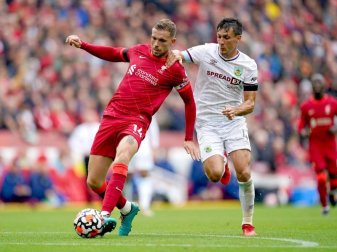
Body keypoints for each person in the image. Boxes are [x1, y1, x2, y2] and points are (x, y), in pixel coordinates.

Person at [65, 19, 200, 237]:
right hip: (111, 116)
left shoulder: (175, 70)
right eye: (154, 38)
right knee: (94, 181)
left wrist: (188, 137)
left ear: (172, 42)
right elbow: (113, 53)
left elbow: (190, 102)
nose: (156, 44)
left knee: (123, 157)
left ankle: (104, 215)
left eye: (162, 41)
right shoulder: (139, 51)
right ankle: (127, 209)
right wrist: (84, 45)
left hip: (136, 121)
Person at [167, 18, 258, 236]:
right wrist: (177, 56)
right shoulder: (207, 52)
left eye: (226, 37)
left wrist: (236, 110)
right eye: (219, 36)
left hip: (233, 121)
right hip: (207, 122)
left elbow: (250, 103)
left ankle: (248, 223)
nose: (221, 41)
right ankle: (222, 163)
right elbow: (183, 54)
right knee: (215, 174)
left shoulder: (248, 65)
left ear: (238, 38)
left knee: (244, 172)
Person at [298, 73, 337, 215]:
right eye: (315, 84)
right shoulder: (306, 106)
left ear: (324, 86)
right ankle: (324, 205)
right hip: (315, 145)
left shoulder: (333, 103)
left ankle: (333, 192)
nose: (317, 86)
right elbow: (301, 125)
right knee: (320, 176)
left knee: (333, 173)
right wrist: (303, 132)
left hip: (330, 143)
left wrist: (335, 127)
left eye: (320, 83)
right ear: (312, 88)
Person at [127, 116, 160, 216]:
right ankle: (126, 207)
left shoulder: (147, 106)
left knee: (144, 173)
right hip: (126, 144)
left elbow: (153, 128)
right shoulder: (123, 104)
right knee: (126, 175)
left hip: (143, 146)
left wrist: (154, 146)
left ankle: (144, 206)